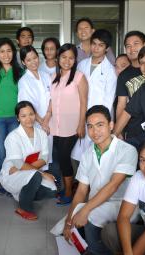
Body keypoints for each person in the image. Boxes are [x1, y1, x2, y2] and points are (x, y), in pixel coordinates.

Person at [60, 105, 138, 255]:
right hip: (97, 203)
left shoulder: (127, 150)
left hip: (121, 204)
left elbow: (113, 185)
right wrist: (68, 223)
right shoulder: (87, 154)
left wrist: (86, 209)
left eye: (100, 125)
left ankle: (95, 251)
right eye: (90, 126)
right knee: (76, 213)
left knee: (89, 215)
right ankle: (92, 247)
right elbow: (82, 190)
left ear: (111, 125)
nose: (95, 132)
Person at [43, 43, 88, 205]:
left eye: (71, 58)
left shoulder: (79, 77)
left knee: (63, 158)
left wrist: (81, 124)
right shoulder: (53, 78)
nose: (67, 61)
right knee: (61, 159)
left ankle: (69, 192)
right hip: (56, 126)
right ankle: (67, 187)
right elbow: (51, 101)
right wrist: (47, 118)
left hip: (72, 126)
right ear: (58, 58)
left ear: (75, 60)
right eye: (63, 57)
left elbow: (84, 103)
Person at [0, 101, 56, 221]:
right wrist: (42, 173)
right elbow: (18, 164)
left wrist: (22, 167)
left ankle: (24, 193)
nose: (28, 119)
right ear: (18, 118)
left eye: (31, 114)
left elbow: (45, 158)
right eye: (23, 116)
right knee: (36, 176)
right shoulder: (13, 137)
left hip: (27, 171)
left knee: (53, 189)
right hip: (11, 174)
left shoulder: (41, 133)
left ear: (35, 115)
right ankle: (24, 208)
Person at [72, 29, 117, 162]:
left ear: (107, 48)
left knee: (98, 154)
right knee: (82, 156)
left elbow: (109, 100)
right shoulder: (81, 65)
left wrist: (101, 121)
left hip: (98, 118)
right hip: (81, 114)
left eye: (101, 45)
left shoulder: (110, 71)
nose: (96, 48)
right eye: (94, 44)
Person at [0, 37, 22, 196]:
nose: (6, 55)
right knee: (1, 152)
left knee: (14, 153)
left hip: (15, 119)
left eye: (9, 51)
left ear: (13, 53)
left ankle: (13, 183)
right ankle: (3, 183)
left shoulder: (20, 72)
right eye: (2, 51)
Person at [18, 45, 51, 132]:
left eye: (35, 58)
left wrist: (47, 117)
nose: (33, 62)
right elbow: (27, 106)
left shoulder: (46, 76)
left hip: (50, 120)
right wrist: (42, 123)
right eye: (28, 60)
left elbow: (53, 97)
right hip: (35, 124)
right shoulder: (23, 81)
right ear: (23, 62)